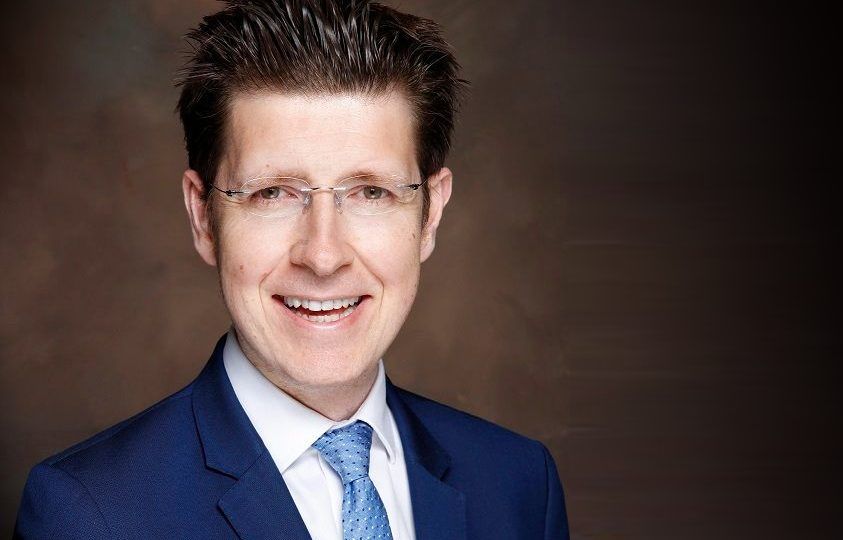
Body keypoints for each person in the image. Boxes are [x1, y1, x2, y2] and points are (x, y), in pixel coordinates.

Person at [14, 1, 568, 538]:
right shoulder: (88, 516)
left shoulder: (519, 483)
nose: (323, 256)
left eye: (370, 192)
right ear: (203, 217)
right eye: (273, 193)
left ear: (431, 215)